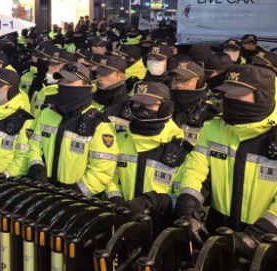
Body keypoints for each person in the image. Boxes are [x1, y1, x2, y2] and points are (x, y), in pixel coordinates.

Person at [175, 64, 277, 260]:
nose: (230, 99)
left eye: (238, 94)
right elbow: (197, 169)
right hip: (218, 230)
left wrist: (258, 236)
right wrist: (187, 206)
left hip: (270, 240)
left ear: (263, 95)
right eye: (227, 93)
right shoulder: (214, 127)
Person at [28, 63, 118, 196]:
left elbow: (102, 170)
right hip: (43, 192)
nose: (64, 85)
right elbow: (34, 145)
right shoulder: (47, 113)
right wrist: (37, 169)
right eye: (62, 80)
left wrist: (76, 192)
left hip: (78, 201)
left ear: (87, 85)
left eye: (70, 81)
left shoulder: (98, 124)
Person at [108, 82, 191, 227]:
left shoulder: (181, 147)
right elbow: (110, 176)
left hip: (161, 225)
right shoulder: (119, 139)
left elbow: (182, 196)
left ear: (166, 107)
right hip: (122, 219)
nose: (141, 109)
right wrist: (116, 199)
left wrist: (155, 202)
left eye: (149, 104)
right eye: (137, 104)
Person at [169, 60, 215, 146]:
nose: (179, 85)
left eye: (184, 80)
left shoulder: (210, 113)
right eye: (176, 80)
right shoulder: (162, 106)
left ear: (199, 83)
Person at [90, 55, 132, 127]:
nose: (99, 77)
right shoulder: (87, 96)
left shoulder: (129, 107)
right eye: (98, 73)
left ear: (121, 76)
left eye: (105, 74)